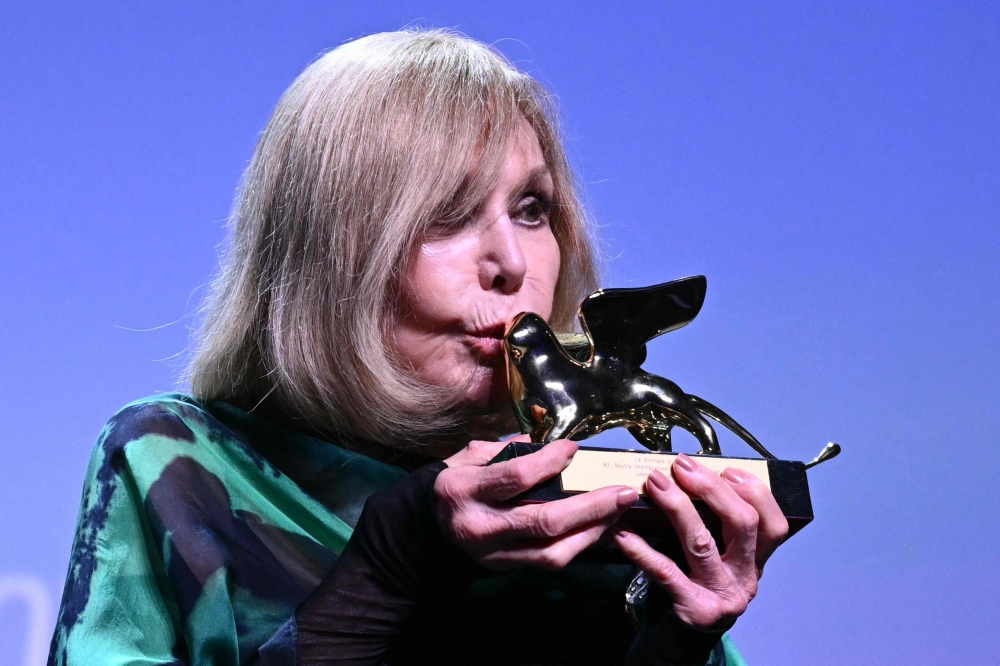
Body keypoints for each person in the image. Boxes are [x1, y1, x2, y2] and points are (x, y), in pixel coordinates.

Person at [48, 29, 788, 666]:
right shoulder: (175, 463)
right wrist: (387, 569)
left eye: (532, 209)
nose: (513, 263)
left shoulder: (590, 503)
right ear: (328, 252)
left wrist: (675, 644)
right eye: (449, 212)